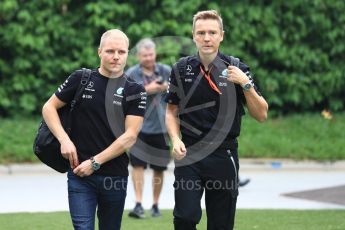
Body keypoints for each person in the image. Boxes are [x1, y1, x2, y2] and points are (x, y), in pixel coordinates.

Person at [165, 10, 268, 230]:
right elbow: (171, 110)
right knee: (184, 217)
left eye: (212, 32)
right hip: (189, 152)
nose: (206, 38)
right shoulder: (181, 69)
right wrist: (175, 139)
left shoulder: (236, 67)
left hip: (224, 154)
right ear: (193, 36)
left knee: (221, 223)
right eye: (201, 32)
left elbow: (261, 114)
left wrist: (245, 84)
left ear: (221, 35)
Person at [42, 29, 146, 230]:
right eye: (110, 51)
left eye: (121, 52)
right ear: (100, 52)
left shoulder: (135, 90)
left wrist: (95, 162)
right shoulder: (82, 78)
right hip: (80, 175)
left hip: (114, 177)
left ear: (127, 54)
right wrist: (64, 139)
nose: (116, 57)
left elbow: (130, 136)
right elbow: (49, 107)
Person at [126, 38, 171, 218]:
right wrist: (148, 89)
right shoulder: (131, 73)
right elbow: (126, 97)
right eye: (144, 55)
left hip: (161, 127)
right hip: (139, 127)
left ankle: (155, 205)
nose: (148, 58)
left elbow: (178, 91)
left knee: (159, 168)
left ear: (155, 54)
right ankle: (138, 204)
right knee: (137, 166)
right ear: (138, 56)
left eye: (151, 54)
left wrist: (166, 87)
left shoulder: (166, 70)